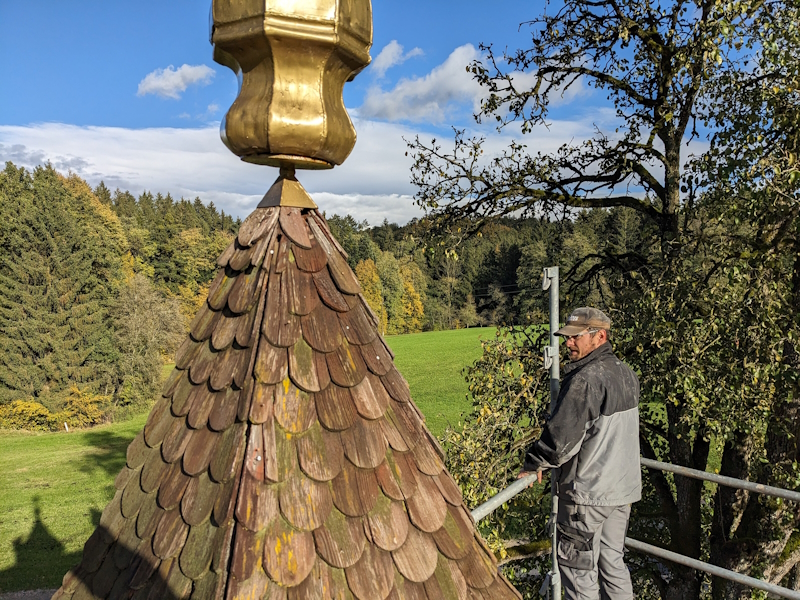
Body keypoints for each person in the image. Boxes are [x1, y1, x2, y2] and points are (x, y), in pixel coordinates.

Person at [518, 307, 641, 600]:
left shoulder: (585, 379)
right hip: (622, 491)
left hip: (588, 494)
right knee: (613, 564)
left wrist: (534, 462)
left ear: (600, 336)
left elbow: (560, 441)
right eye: (566, 337)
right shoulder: (626, 373)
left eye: (575, 338)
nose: (568, 343)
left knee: (577, 570)